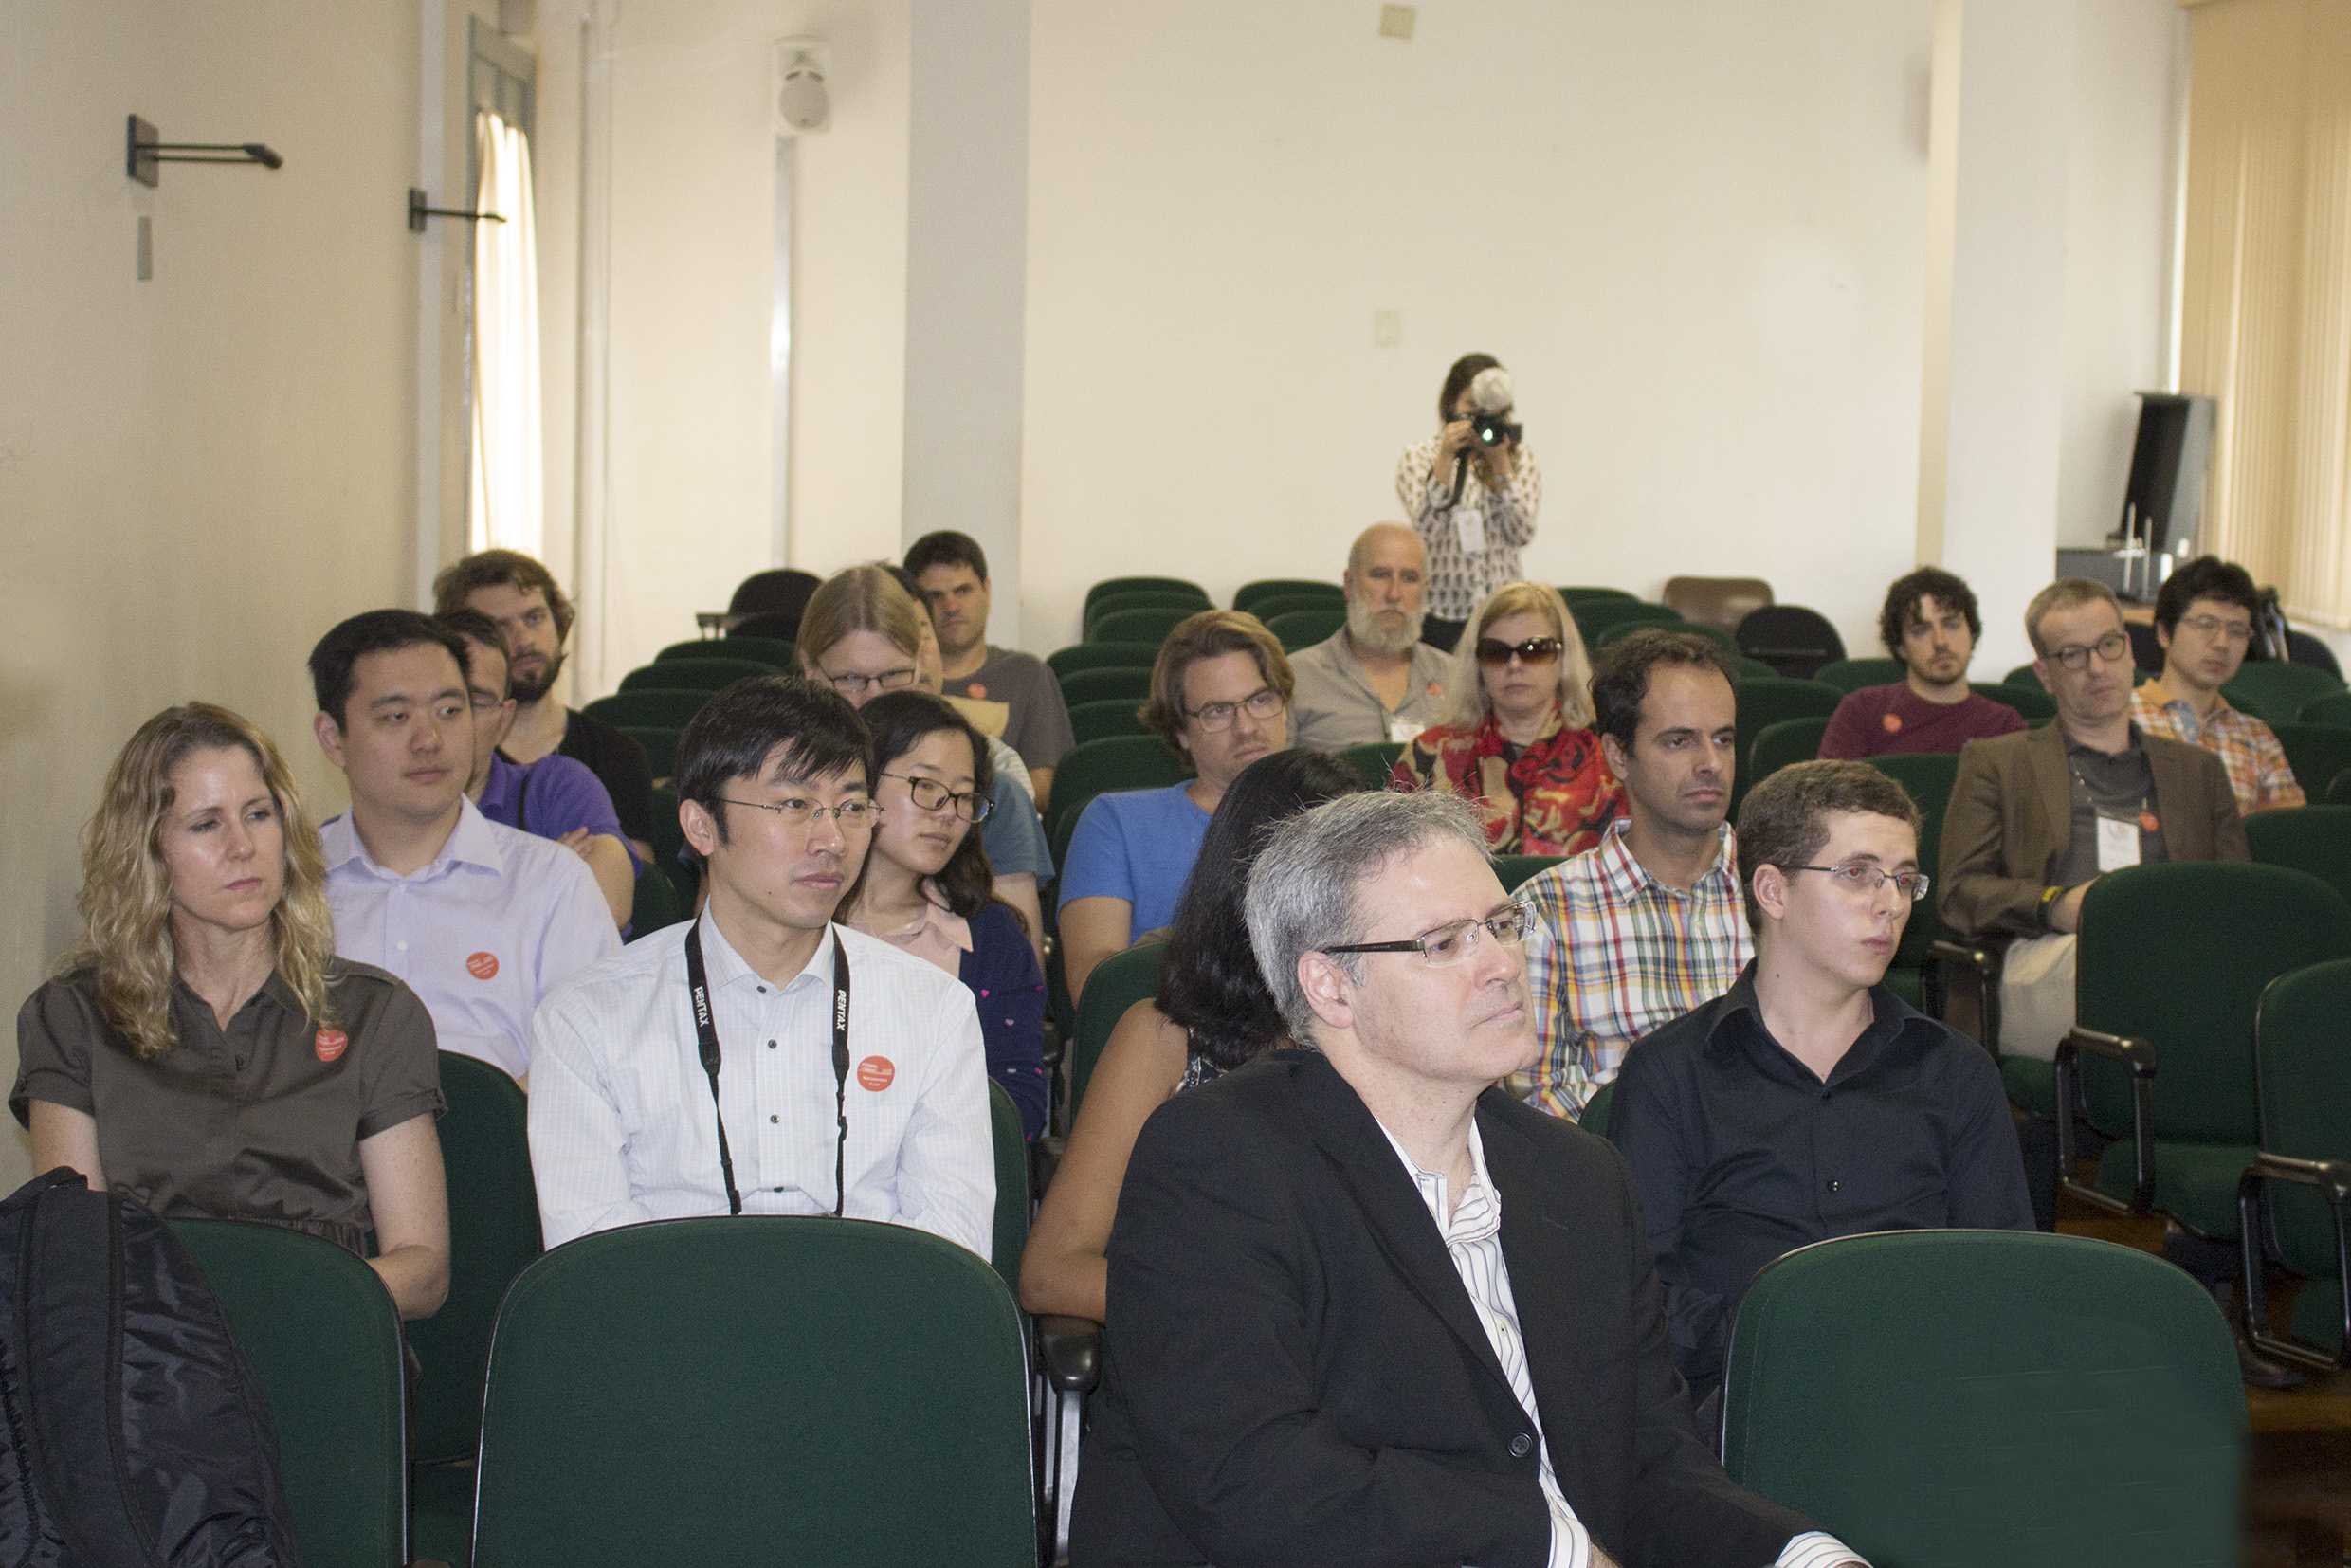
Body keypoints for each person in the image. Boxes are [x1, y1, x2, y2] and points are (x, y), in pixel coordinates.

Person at [1071, 790, 1853, 1568]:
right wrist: (1553, 1549)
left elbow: (1649, 1465)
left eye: (1503, 926)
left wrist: (1800, 1555)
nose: (1501, 966)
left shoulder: (1578, 1176)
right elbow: (1255, 1479)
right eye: (1444, 943)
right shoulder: (1217, 1159)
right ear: (1330, 986)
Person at [1608, 760, 2033, 1419]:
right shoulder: (1670, 1074)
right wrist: (1797, 1342)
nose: (1890, 902)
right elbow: (1639, 1297)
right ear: (1772, 891)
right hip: (1740, 1404)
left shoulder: (1955, 1072)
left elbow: (2003, 1282)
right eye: (1857, 873)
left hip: (1927, 1404)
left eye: (1902, 878)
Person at [524, 676, 994, 1253]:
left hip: (869, 1336)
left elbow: (953, 1257)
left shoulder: (935, 1008)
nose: (832, 840)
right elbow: (591, 1270)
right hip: (674, 1339)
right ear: (700, 825)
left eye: (850, 807)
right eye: (795, 804)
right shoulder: (587, 1017)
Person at [13, 704, 449, 1321]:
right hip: (151, 1361)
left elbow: (423, 1270)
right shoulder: (74, 1018)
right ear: (149, 853)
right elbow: (75, 1260)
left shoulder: (375, 1014)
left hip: (322, 1339)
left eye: (257, 814)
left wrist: (276, 1308)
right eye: (205, 825)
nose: (242, 847)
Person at [1017, 749, 1361, 1322]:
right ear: (1250, 884)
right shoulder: (1163, 1039)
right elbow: (1052, 1273)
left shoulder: (1400, 1033)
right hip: (1214, 1342)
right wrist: (1245, 1307)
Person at [1939, 579, 2247, 1060]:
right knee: (2125, 962)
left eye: (2108, 645)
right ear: (2045, 674)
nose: (2097, 668)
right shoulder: (1998, 762)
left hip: (2177, 953)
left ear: (2129, 651)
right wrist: (2053, 905)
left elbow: (2238, 894)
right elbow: (1958, 893)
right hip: (2045, 955)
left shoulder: (2198, 770)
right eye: (2073, 656)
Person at [309, 611, 618, 1084]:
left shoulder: (550, 883)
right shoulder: (289, 886)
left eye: (450, 711)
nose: (429, 740)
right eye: (396, 717)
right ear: (333, 740)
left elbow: (600, 1066)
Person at [1517, 629, 1749, 1119]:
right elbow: (1537, 1105)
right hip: (1628, 1179)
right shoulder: (1546, 913)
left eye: (1723, 739)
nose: (1711, 763)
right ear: (1618, 755)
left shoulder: (1781, 890)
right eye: (1679, 741)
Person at [799, 564, 1051, 950]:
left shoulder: (988, 788)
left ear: (921, 664)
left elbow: (1019, 965)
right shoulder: (765, 777)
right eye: (850, 679)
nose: (874, 697)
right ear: (810, 670)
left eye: (893, 675)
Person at [838, 691, 1048, 1140]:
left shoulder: (993, 936)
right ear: (861, 782)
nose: (948, 813)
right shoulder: (799, 920)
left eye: (964, 796)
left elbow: (1019, 1106)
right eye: (926, 786)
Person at [1058, 610, 1293, 1004]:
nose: (1247, 726)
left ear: (1284, 705)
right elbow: (1096, 988)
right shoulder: (1115, 823)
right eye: (1218, 711)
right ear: (1181, 731)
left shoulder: (1332, 817)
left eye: (1260, 699)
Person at [433, 549, 656, 864]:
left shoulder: (617, 753)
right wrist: (550, 868)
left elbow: (640, 889)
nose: (524, 639)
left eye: (534, 618)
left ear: (558, 623)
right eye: (499, 627)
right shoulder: (441, 757)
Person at [441, 608, 639, 930]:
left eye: (476, 703)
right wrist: (541, 875)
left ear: (504, 718)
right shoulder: (383, 819)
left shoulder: (555, 787)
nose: (456, 723)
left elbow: (606, 909)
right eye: (447, 706)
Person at [1390, 581, 1622, 856]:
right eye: (1496, 652)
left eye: (1535, 650)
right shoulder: (1428, 755)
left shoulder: (1609, 763)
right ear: (1477, 665)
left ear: (1563, 660)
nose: (1515, 666)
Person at [905, 529, 1077, 811]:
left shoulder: (1028, 673)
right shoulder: (899, 678)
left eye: (962, 590)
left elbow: (1045, 788)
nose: (951, 606)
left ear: (987, 590)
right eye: (935, 596)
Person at [2131, 555, 2304, 815]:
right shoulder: (2120, 719)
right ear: (2164, 633)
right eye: (2206, 625)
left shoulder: (2257, 738)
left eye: (2236, 631)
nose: (2222, 643)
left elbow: (2281, 837)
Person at [1395, 353, 1542, 652]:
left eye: (1490, 407)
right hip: (1440, 613)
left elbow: (1522, 533)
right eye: (1471, 405)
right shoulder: (1419, 457)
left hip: (1502, 611)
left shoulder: (1520, 457)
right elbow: (1426, 531)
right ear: (1451, 404)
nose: (1480, 415)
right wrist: (1446, 458)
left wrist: (1500, 464)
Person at [1818, 567, 2026, 759]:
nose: (1941, 641)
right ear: (1901, 647)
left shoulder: (2004, 725)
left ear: (1971, 635)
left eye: (1952, 625)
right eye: (1921, 631)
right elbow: (1828, 796)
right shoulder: (1862, 710)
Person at [1285, 522, 1453, 751]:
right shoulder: (1294, 679)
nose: (1394, 594)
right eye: (1380, 575)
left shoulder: (1457, 679)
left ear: (1424, 590)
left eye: (1409, 578)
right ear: (1349, 584)